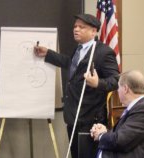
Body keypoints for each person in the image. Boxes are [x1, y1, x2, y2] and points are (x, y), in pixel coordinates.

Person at [34, 14, 119, 158]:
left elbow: (116, 80)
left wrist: (98, 83)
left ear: (93, 31)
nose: (76, 29)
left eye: (81, 27)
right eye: (75, 26)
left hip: (91, 119)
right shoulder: (79, 49)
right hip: (73, 117)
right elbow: (72, 65)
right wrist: (48, 54)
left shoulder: (104, 52)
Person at [90, 70, 144, 158]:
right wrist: (105, 131)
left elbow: (120, 141)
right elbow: (126, 135)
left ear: (126, 89)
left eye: (118, 87)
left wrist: (100, 135)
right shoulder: (138, 107)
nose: (118, 91)